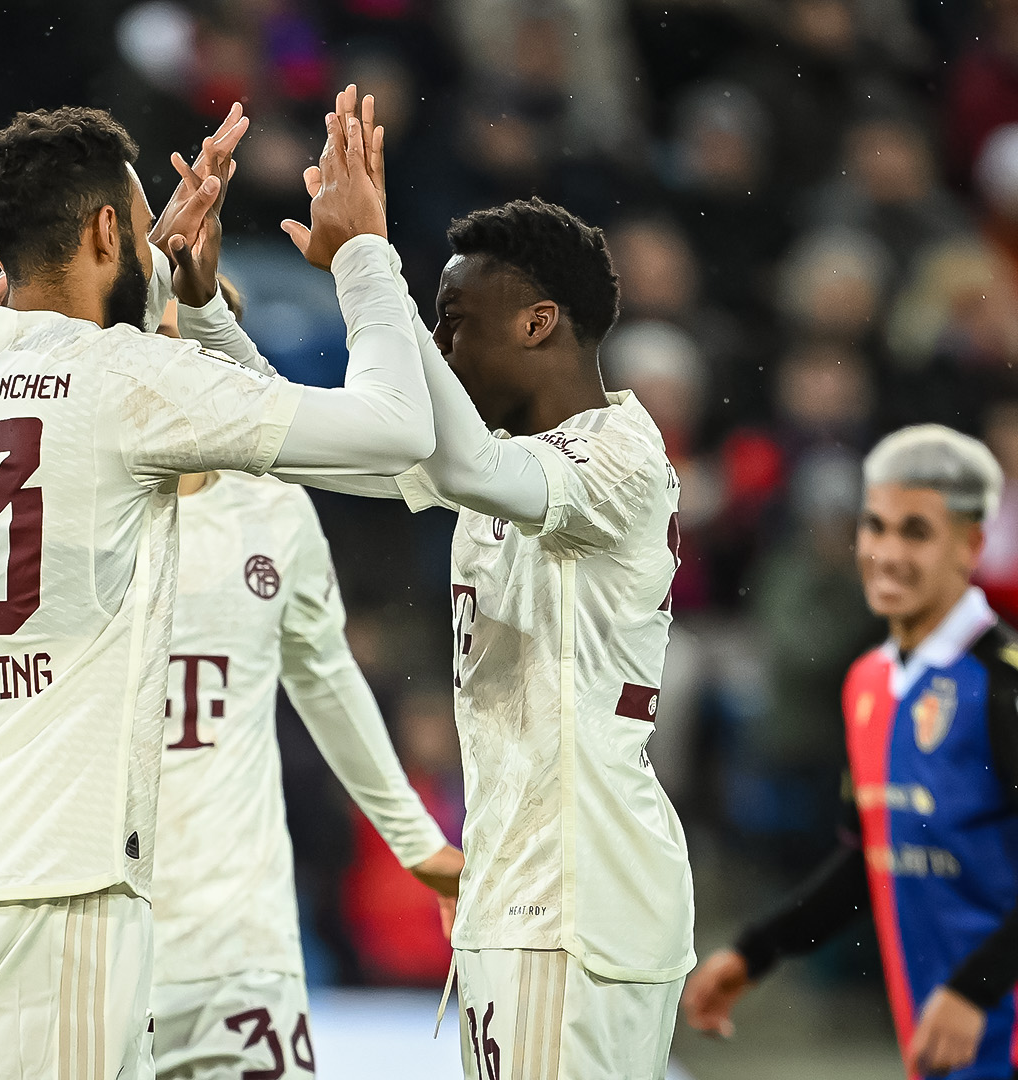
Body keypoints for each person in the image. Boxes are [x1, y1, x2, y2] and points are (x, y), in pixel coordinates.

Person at [0, 87, 441, 1078]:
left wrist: (171, 283)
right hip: (51, 891)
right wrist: (363, 254)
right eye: (140, 228)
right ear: (110, 228)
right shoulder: (122, 382)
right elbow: (396, 437)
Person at [0, 461, 462, 1079]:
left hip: (238, 943)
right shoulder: (43, 497)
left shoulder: (273, 511)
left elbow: (327, 678)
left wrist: (417, 843)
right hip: (86, 948)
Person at [289, 191, 693, 1077]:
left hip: (579, 895)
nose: (436, 348)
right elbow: (305, 443)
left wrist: (369, 260)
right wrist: (203, 317)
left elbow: (471, 462)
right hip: (525, 888)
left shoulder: (617, 456)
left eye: (455, 322)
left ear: (538, 323)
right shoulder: (503, 466)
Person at [683, 425, 1018, 1080]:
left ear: (970, 545)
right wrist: (757, 953)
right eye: (876, 527)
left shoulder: (1002, 687)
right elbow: (872, 857)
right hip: (945, 1048)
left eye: (915, 532)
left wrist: (975, 991)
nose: (887, 553)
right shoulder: (869, 684)